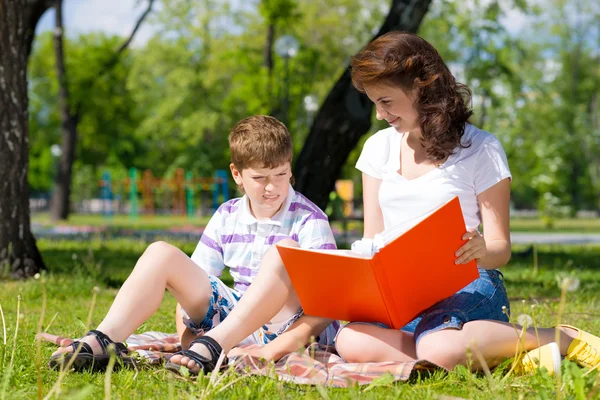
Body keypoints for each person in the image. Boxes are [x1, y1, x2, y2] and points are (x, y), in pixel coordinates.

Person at [334, 31, 600, 375]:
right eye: (374, 103)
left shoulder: (481, 148)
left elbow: (500, 248)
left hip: (468, 283)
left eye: (386, 101)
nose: (380, 114)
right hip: (404, 294)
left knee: (436, 346)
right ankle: (495, 358)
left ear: (420, 88)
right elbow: (372, 239)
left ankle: (558, 337)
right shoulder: (377, 149)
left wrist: (479, 249)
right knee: (350, 340)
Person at [49, 115, 339, 375]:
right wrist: (187, 341)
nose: (272, 187)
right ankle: (105, 339)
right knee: (160, 252)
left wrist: (270, 352)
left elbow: (327, 306)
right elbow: (193, 281)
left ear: (290, 169)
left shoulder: (309, 219)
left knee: (282, 251)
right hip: (238, 319)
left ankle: (213, 346)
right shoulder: (227, 215)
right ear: (237, 175)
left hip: (288, 325)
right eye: (260, 178)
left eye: (281, 175)